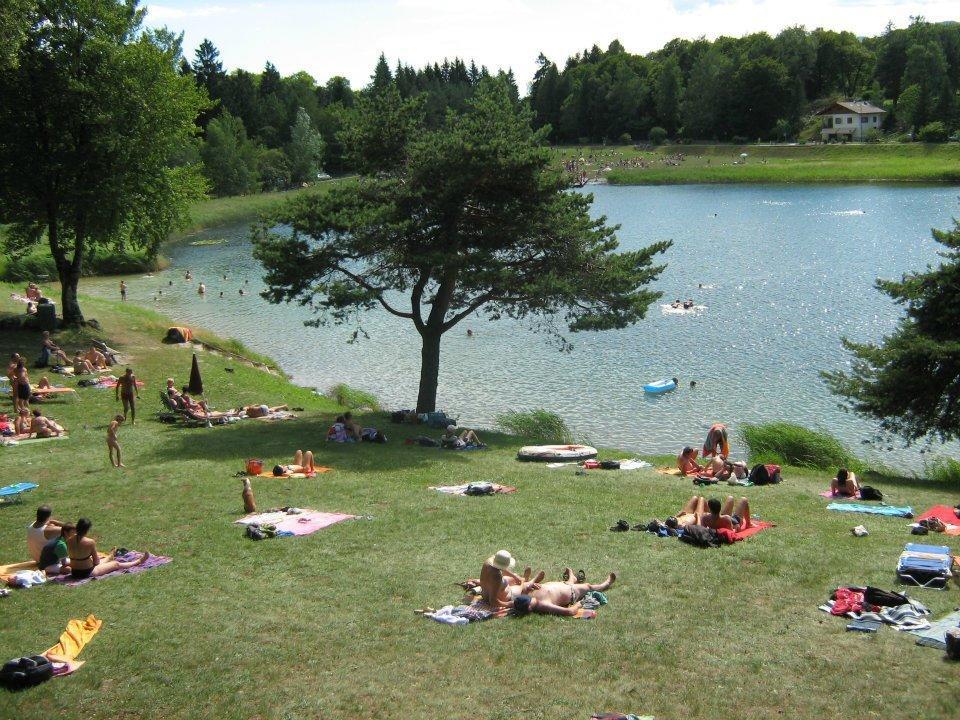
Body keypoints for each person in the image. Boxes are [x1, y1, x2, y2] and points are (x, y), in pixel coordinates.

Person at [66, 518, 149, 580]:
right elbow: (96, 562)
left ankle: (110, 556)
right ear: (87, 530)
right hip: (87, 572)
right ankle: (138, 561)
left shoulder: (69, 540)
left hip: (74, 572)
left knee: (96, 560)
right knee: (115, 564)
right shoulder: (90, 542)